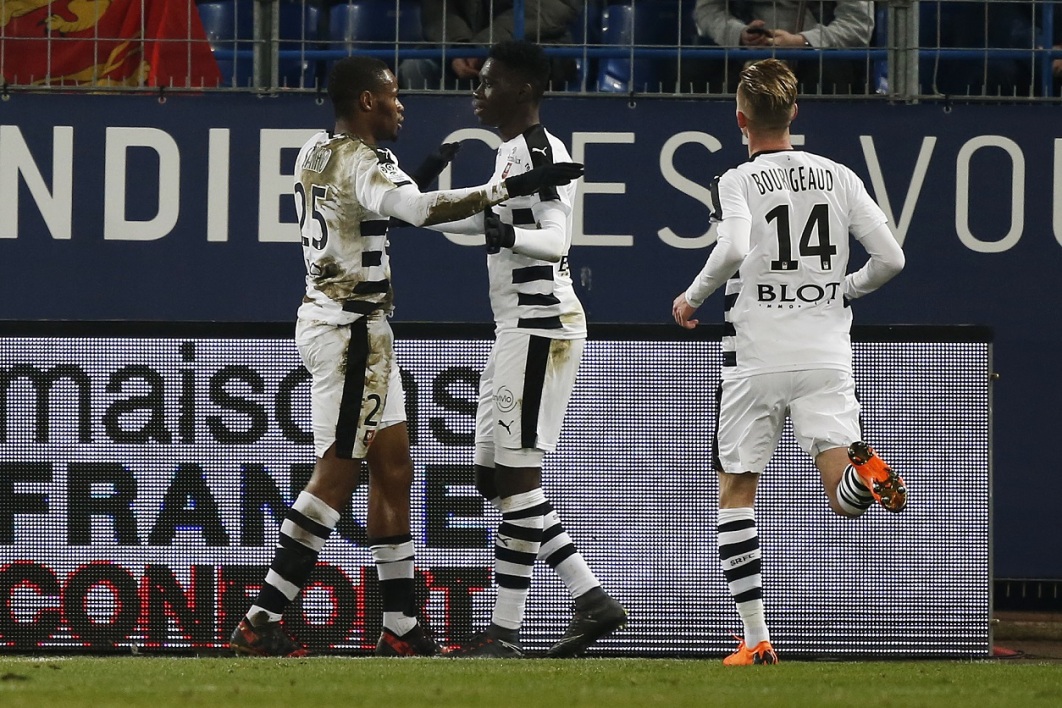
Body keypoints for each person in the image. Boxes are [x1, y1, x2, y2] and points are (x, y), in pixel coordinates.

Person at [228, 54, 583, 658]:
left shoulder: (316, 149)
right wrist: (500, 190)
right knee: (337, 475)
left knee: (392, 467)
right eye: (392, 96)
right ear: (366, 102)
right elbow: (414, 209)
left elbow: (376, 205)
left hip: (348, 324)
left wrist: (417, 177)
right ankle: (259, 621)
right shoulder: (365, 163)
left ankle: (401, 626)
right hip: (350, 334)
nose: (401, 105)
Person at [671, 58, 906, 666]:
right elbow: (891, 260)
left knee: (736, 491)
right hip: (826, 351)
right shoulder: (839, 176)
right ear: (794, 113)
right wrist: (842, 290)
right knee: (840, 496)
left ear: (741, 119)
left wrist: (692, 297)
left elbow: (732, 247)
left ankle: (754, 640)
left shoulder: (738, 179)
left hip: (756, 355)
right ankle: (869, 475)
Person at [422, 39, 627, 658]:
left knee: (516, 475)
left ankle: (508, 630)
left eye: (488, 83)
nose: (477, 93)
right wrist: (425, 210)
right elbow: (485, 223)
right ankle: (589, 600)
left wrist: (492, 225)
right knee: (492, 475)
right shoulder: (512, 155)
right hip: (516, 327)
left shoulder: (539, 150)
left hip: (542, 325)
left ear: (525, 90)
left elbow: (557, 240)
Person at [693, 0, 875, 92]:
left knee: (830, 73)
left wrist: (803, 41)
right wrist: (738, 34)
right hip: (740, 52)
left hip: (817, 53)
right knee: (692, 67)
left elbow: (858, 24)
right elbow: (707, 10)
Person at [398, 0, 579, 90]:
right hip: (462, 49)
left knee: (523, 71)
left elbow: (554, 6)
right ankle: (427, 138)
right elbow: (437, 8)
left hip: (536, 46)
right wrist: (458, 48)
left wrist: (484, 46)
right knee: (415, 66)